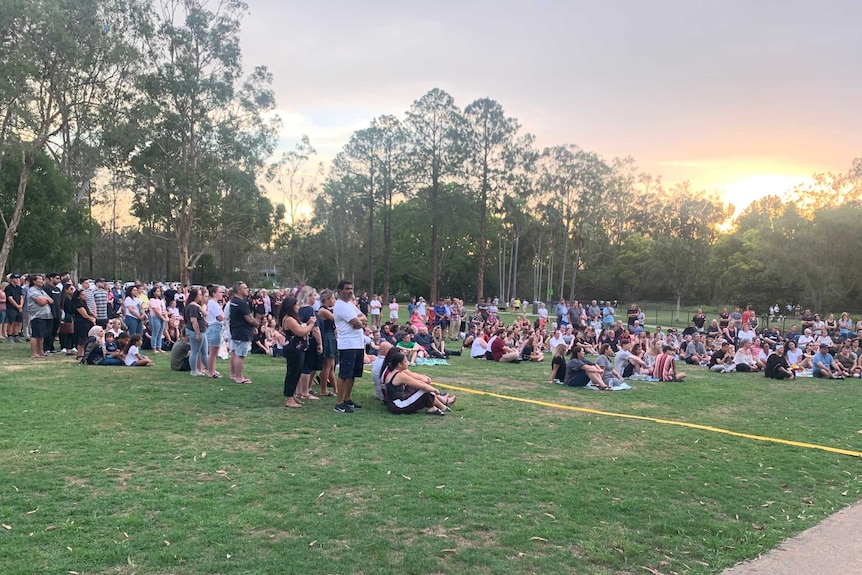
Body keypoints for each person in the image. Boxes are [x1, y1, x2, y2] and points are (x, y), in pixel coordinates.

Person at [381, 349, 452, 415]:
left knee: (424, 388)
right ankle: (435, 408)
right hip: (397, 406)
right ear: (399, 364)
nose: (407, 363)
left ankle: (437, 407)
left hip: (392, 404)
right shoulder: (400, 375)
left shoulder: (392, 371)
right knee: (426, 389)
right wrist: (435, 390)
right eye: (405, 362)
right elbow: (421, 385)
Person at [333, 279, 367, 413]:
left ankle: (347, 399)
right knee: (344, 374)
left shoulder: (350, 304)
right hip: (348, 344)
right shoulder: (340, 305)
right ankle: (339, 403)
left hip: (357, 343)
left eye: (351, 288)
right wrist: (359, 322)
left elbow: (363, 317)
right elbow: (357, 323)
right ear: (340, 290)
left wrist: (359, 321)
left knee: (353, 374)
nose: (350, 291)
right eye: (347, 289)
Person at [279, 296, 315, 409]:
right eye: (296, 305)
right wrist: (311, 324)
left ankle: (292, 395)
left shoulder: (291, 318)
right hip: (294, 350)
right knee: (293, 373)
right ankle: (289, 398)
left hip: (298, 349)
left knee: (296, 373)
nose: (298, 307)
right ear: (291, 307)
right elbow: (300, 332)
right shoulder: (289, 319)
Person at [228, 281, 258, 384]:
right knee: (240, 355)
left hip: (236, 330)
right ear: (239, 290)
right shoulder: (241, 303)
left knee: (236, 353)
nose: (247, 290)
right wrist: (256, 324)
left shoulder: (233, 301)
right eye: (245, 288)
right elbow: (249, 319)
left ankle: (234, 374)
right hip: (242, 331)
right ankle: (239, 377)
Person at [25, 274, 54, 359]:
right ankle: (34, 353)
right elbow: (41, 302)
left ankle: (41, 352)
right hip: (37, 316)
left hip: (46, 316)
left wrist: (46, 300)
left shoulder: (41, 291)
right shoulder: (32, 290)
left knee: (41, 335)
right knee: (35, 335)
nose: (42, 281)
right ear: (34, 281)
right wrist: (46, 300)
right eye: (40, 279)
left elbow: (51, 300)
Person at [316, 289, 338, 397]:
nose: (334, 300)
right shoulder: (322, 310)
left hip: (331, 336)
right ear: (327, 299)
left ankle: (336, 388)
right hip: (327, 337)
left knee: (331, 365)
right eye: (333, 298)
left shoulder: (327, 310)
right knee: (327, 365)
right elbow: (336, 319)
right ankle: (323, 389)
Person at [183, 287, 208, 376]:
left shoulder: (196, 306)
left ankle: (209, 369)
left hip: (202, 330)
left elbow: (205, 314)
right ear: (195, 296)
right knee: (195, 351)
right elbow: (194, 321)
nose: (201, 296)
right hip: (195, 331)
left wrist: (199, 306)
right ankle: (194, 370)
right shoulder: (192, 307)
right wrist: (197, 333)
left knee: (204, 351)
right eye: (200, 294)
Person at [205, 285, 224, 377]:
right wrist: (225, 316)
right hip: (214, 327)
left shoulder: (216, 304)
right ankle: (210, 371)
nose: (221, 294)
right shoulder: (212, 303)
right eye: (219, 292)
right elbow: (219, 317)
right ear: (214, 294)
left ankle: (212, 369)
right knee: (212, 352)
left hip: (216, 327)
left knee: (215, 351)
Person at [148, 285, 169, 354]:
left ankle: (159, 347)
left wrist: (166, 317)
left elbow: (164, 309)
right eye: (157, 291)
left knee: (160, 333)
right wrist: (162, 317)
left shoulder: (161, 300)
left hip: (162, 316)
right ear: (153, 292)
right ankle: (154, 347)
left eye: (159, 291)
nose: (159, 292)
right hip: (155, 317)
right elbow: (155, 310)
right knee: (155, 333)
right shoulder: (152, 300)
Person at [4, 273, 24, 343]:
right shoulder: (8, 288)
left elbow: (22, 297)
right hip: (11, 308)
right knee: (11, 322)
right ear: (11, 279)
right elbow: (10, 298)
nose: (18, 280)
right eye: (16, 278)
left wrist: (21, 305)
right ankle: (10, 336)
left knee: (18, 322)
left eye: (18, 278)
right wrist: (17, 306)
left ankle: (16, 335)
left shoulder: (19, 288)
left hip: (19, 308)